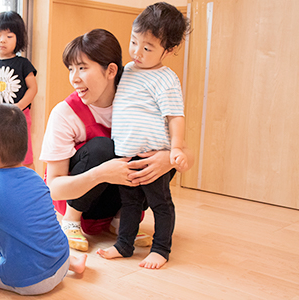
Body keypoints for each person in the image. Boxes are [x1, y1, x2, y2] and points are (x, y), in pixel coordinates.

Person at [40, 28, 193, 253]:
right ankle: (71, 221)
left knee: (159, 153)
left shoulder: (139, 100)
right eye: (71, 69)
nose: (74, 78)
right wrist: (101, 173)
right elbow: (54, 188)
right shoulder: (65, 113)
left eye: (82, 68)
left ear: (111, 70)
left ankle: (121, 221)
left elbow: (186, 153)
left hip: (120, 197)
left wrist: (167, 160)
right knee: (104, 148)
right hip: (78, 197)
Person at [0, 104, 86, 296]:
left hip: (30, 282)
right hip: (61, 262)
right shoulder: (35, 177)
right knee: (36, 240)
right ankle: (75, 264)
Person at [97, 2, 191, 270]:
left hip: (152, 155)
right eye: (134, 41)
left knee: (161, 203)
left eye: (147, 48)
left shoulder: (166, 79)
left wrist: (176, 149)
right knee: (129, 203)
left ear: (168, 50)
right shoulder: (126, 70)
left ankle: (161, 249)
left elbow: (175, 116)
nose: (137, 52)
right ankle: (124, 245)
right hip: (126, 152)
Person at [0, 11, 38, 170]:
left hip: (19, 118)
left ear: (18, 39)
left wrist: (18, 107)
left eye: (9, 36)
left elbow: (33, 89)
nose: (2, 40)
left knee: (25, 157)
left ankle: (33, 189)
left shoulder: (23, 64)